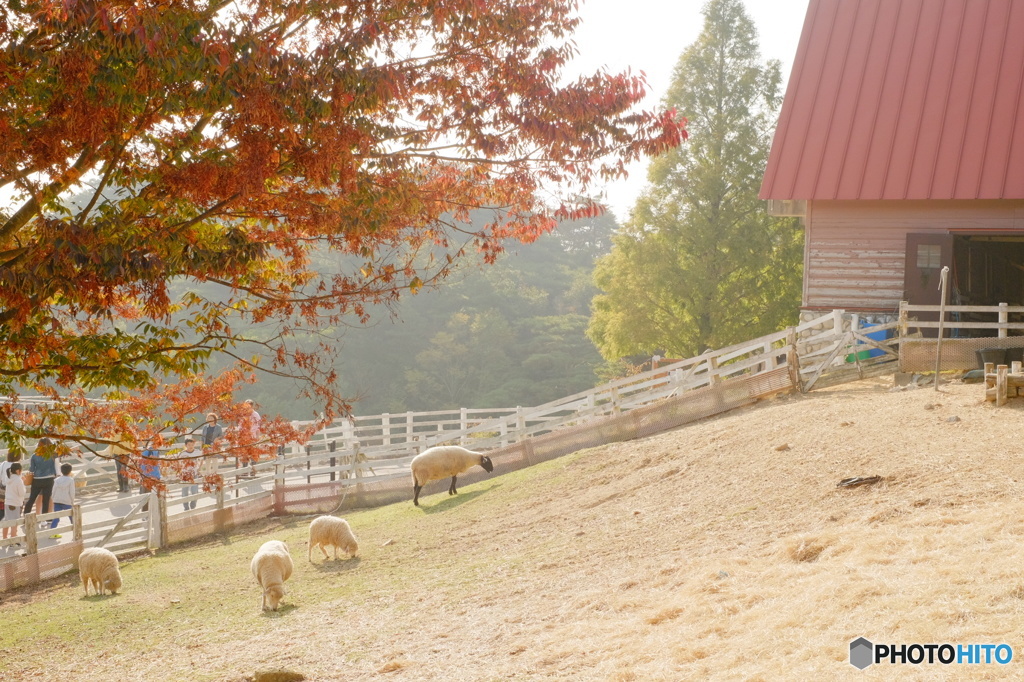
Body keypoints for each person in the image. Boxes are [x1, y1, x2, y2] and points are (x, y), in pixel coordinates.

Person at [23, 438, 57, 518]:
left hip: (37, 480)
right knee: (46, 500)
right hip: (49, 479)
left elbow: (31, 469)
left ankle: (25, 517)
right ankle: (43, 519)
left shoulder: (34, 456)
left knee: (31, 499)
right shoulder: (52, 454)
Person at [49, 463, 75, 534]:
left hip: (57, 501)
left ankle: (52, 532)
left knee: (56, 517)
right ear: (70, 471)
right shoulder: (70, 480)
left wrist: (53, 499)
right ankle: (76, 530)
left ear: (61, 471)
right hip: (67, 501)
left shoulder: (56, 480)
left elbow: (53, 490)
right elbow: (72, 492)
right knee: (71, 516)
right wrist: (72, 501)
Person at [3, 462, 26, 541]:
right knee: (15, 523)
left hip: (7, 502)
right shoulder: (18, 480)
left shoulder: (8, 478)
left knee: (7, 521)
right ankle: (13, 540)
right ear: (18, 471)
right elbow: (21, 493)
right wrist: (23, 483)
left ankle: (4, 538)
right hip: (15, 503)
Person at [179, 437, 200, 511]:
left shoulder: (197, 452)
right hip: (185, 475)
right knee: (185, 492)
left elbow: (202, 460)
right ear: (186, 445)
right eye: (189, 444)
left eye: (192, 444)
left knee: (194, 491)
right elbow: (178, 463)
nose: (191, 446)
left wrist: (199, 468)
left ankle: (193, 503)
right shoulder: (182, 454)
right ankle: (186, 506)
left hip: (194, 474)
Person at [0, 452, 19, 522]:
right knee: (12, 510)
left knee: (2, 509)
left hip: (2, 489)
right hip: (12, 491)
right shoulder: (16, 466)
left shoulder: (3, 464)